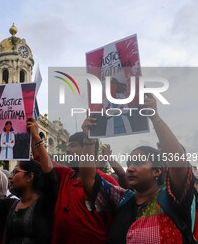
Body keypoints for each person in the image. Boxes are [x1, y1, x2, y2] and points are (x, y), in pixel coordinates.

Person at [80, 94, 195, 243]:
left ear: (157, 171)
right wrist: (89, 141)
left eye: (139, 163)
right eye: (129, 164)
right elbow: (88, 179)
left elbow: (178, 164)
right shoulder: (122, 200)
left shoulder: (172, 198)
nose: (130, 169)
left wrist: (155, 117)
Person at [0, 117, 58, 243]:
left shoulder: (45, 203)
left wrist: (37, 139)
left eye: (15, 172)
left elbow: (50, 177)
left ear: (30, 176)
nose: (10, 176)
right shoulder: (10, 205)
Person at [43, 131, 119, 244]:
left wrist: (90, 141)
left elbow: (119, 223)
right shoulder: (66, 175)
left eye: (73, 146)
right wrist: (35, 137)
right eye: (68, 145)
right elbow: (42, 159)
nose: (67, 150)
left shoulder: (107, 182)